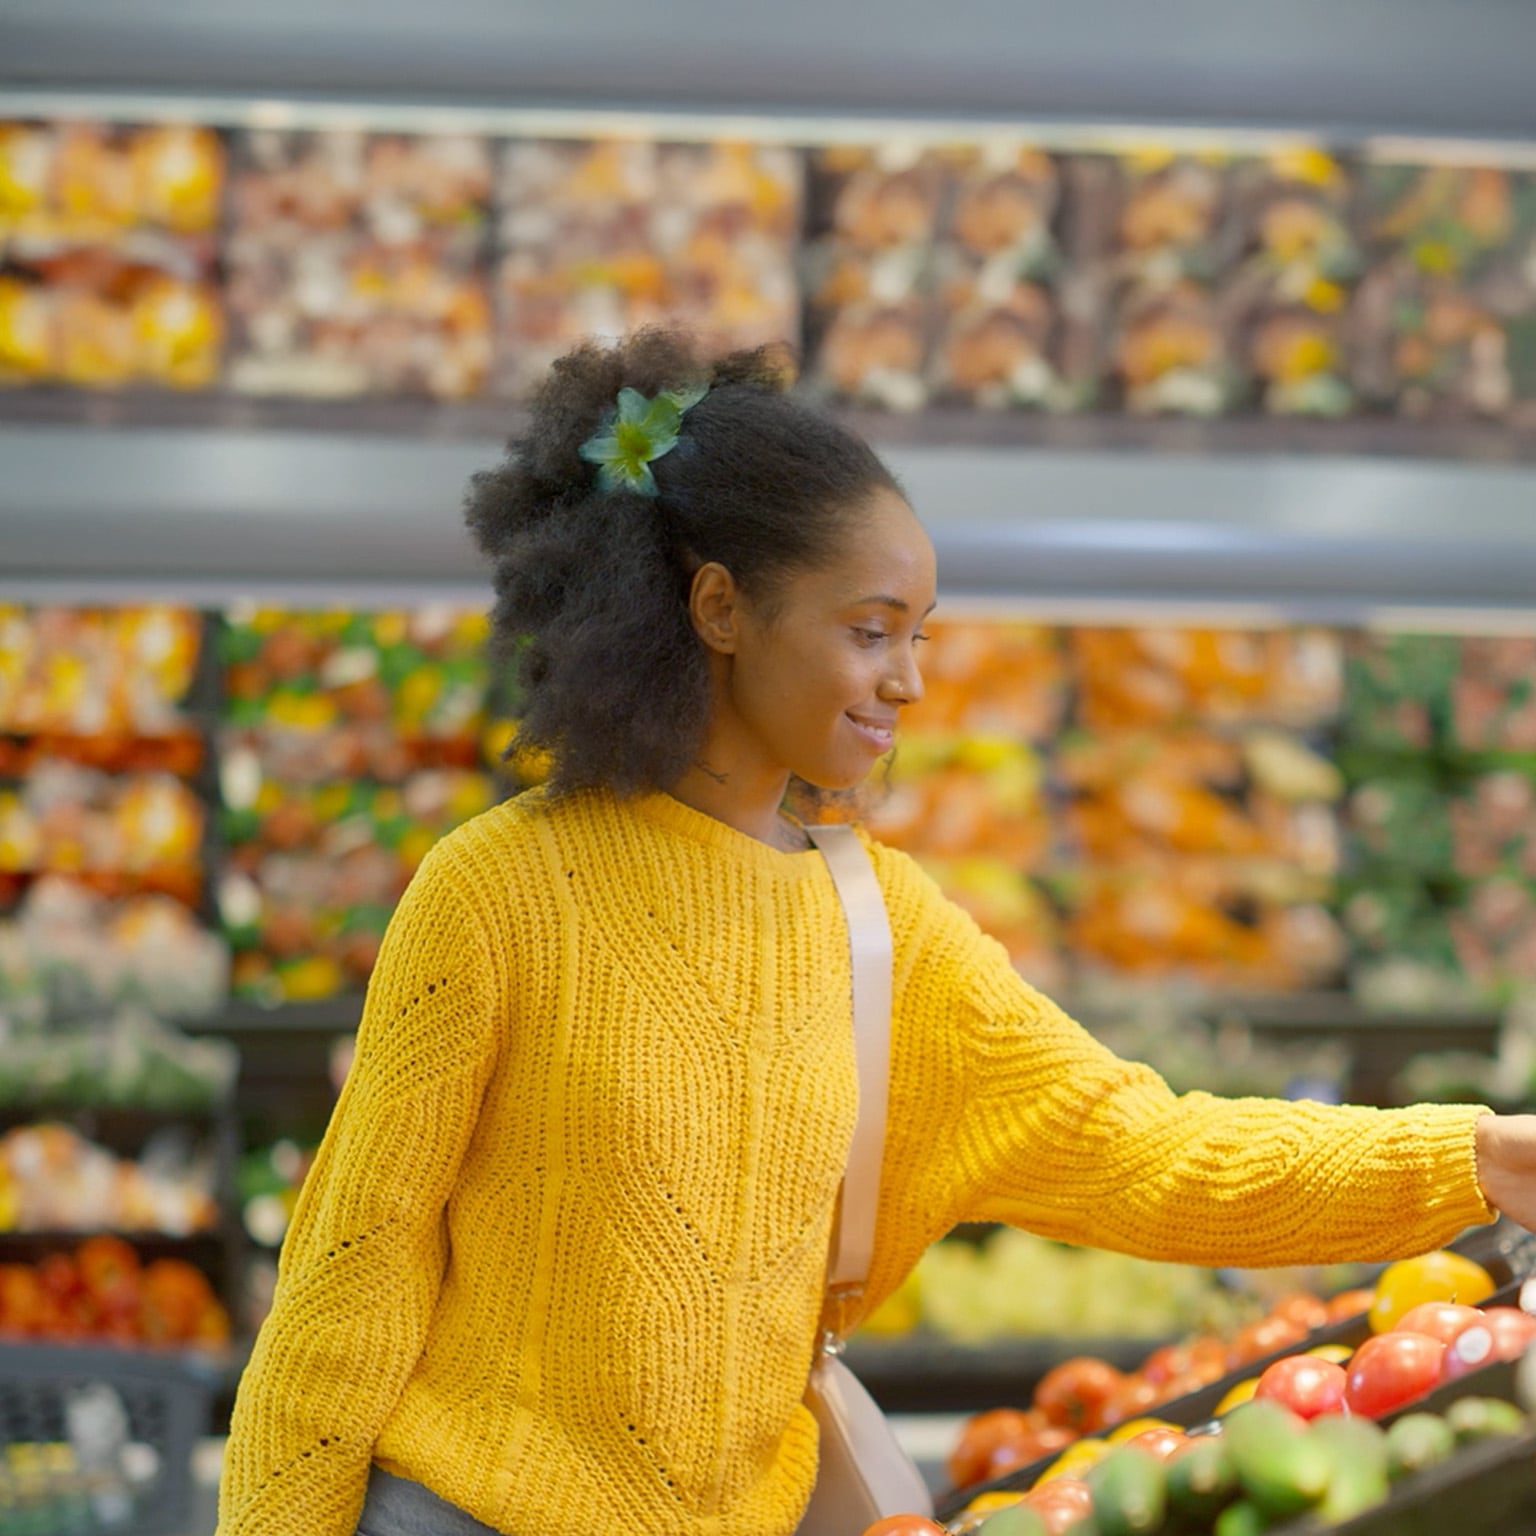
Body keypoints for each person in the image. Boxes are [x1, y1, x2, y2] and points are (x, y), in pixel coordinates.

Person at [217, 328, 1536, 1536]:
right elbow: (350, 1282)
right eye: (869, 631)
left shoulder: (876, 926)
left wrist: (1469, 1155)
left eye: (919, 635)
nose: (908, 680)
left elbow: (1142, 1148)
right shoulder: (496, 893)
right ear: (720, 609)